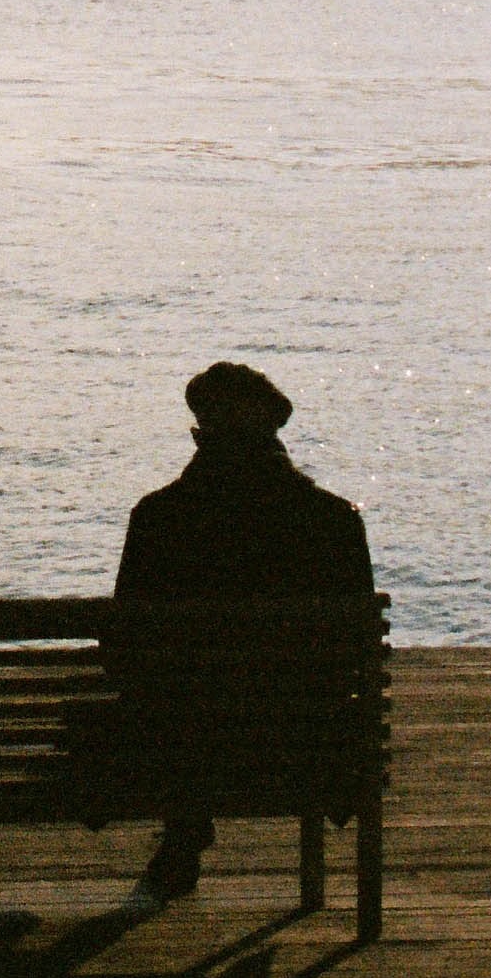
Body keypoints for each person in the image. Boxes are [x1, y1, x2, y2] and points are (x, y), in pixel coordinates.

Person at [113, 361, 376, 907]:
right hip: (304, 742)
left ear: (201, 433)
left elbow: (123, 652)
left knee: (179, 697)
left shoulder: (158, 519)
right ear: (275, 434)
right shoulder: (333, 521)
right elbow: (356, 653)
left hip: (176, 747)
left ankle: (185, 829)